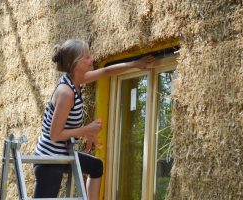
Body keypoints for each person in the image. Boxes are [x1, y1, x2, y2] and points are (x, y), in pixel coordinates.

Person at [33, 39, 155, 200]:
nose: (92, 60)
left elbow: (106, 72)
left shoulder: (77, 82)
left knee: (96, 166)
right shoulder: (66, 93)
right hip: (49, 160)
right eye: (87, 57)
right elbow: (55, 135)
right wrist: (86, 130)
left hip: (63, 154)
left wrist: (135, 64)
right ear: (74, 63)